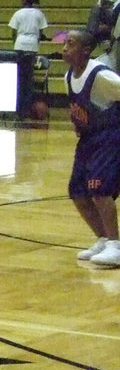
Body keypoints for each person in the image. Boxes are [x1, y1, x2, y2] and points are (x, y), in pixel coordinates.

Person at [62, 29, 120, 267]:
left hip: (110, 136)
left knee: (99, 189)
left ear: (86, 50)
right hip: (88, 138)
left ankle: (116, 245)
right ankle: (104, 238)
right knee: (77, 191)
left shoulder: (100, 75)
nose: (65, 48)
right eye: (65, 43)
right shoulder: (68, 76)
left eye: (71, 44)